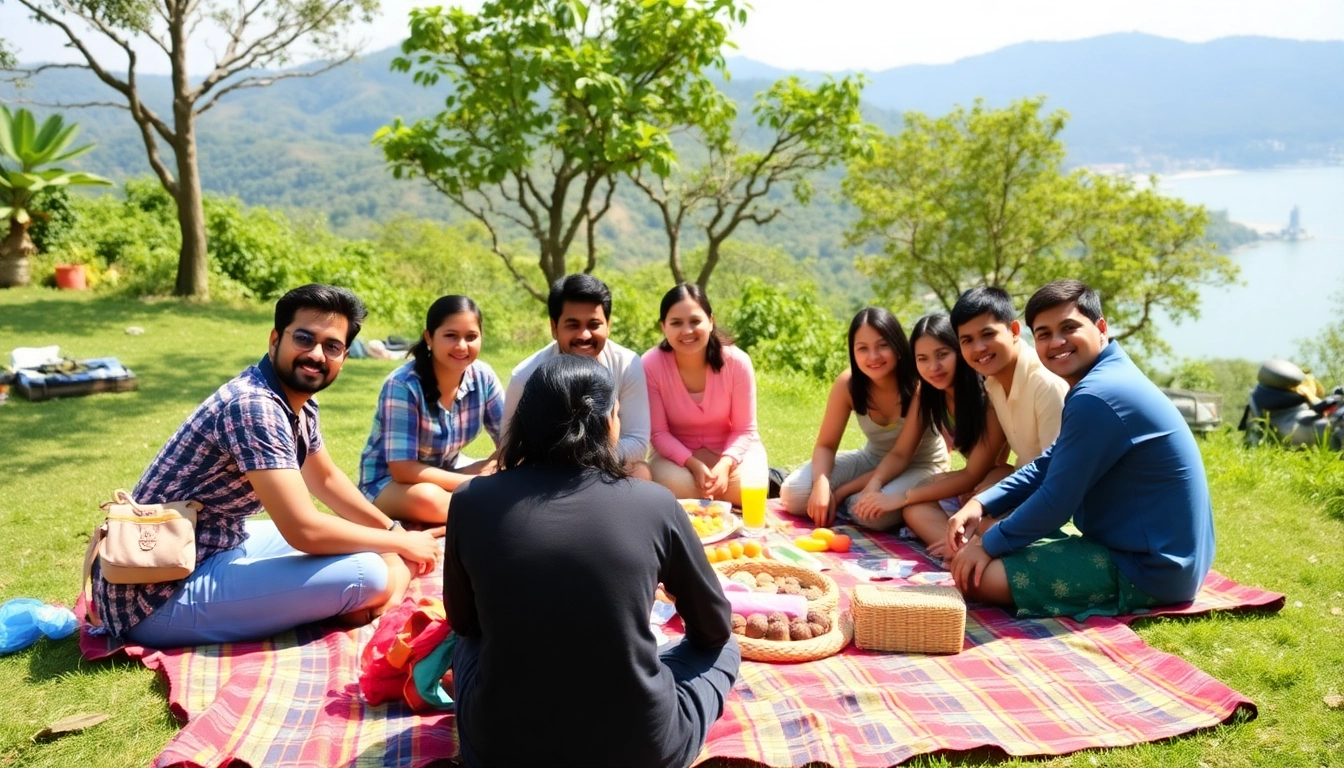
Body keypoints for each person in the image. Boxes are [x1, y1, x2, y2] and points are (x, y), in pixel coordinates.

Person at [91, 285, 440, 647]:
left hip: (215, 542)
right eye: (304, 338)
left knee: (367, 547)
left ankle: (370, 592)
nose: (316, 354)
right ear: (276, 339)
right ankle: (384, 594)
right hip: (156, 596)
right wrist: (402, 550)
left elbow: (325, 479)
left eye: (331, 346)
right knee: (367, 572)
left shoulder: (295, 403)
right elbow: (303, 531)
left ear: (343, 357)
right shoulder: (254, 406)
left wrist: (396, 534)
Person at [445, 354, 740, 768]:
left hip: (500, 750)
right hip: (640, 750)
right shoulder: (653, 504)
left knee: (466, 641)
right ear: (606, 422)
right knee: (725, 649)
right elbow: (713, 629)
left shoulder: (471, 501)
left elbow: (463, 622)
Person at [947, 280, 1216, 619]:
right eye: (1043, 334)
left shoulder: (1097, 396)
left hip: (1149, 569)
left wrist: (988, 544)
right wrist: (981, 501)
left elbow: (1057, 501)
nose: (1056, 342)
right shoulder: (1105, 378)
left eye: (1069, 328)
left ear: (1100, 327)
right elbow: (1050, 462)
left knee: (976, 578)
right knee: (987, 552)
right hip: (1158, 554)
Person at [779, 307, 949, 530]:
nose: (873, 357)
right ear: (853, 351)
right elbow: (826, 445)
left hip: (920, 465)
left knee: (871, 514)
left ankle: (851, 502)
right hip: (872, 458)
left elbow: (901, 456)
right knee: (795, 493)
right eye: (863, 349)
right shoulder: (848, 384)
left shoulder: (918, 385)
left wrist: (840, 492)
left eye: (882, 346)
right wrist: (821, 484)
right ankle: (850, 501)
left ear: (898, 346)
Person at [358, 295, 504, 535]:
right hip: (389, 483)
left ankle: (466, 510)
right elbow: (402, 469)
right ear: (429, 337)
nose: (462, 346)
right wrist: (475, 483)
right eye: (451, 336)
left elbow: (511, 439)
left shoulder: (483, 377)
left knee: (507, 469)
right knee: (430, 499)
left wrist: (495, 467)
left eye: (471, 337)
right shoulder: (403, 385)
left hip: (446, 473)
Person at [502, 274, 652, 480]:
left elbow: (637, 441)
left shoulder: (627, 364)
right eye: (573, 325)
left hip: (605, 468)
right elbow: (510, 445)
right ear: (554, 328)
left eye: (594, 324)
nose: (584, 335)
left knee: (640, 472)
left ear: (608, 324)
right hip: (544, 475)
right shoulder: (526, 375)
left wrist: (584, 463)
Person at [899, 314, 1010, 558]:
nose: (933, 367)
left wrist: (901, 498)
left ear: (960, 350)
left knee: (992, 479)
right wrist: (879, 488)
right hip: (970, 483)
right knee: (915, 507)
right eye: (922, 359)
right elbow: (901, 452)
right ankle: (958, 547)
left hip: (995, 481)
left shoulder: (986, 396)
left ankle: (973, 545)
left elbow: (978, 473)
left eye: (942, 355)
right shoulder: (928, 393)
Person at [643, 283, 761, 504]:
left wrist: (725, 465)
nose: (687, 331)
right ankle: (712, 494)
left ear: (711, 321)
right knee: (667, 485)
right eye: (676, 323)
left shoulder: (737, 362)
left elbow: (745, 430)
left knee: (750, 489)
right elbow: (658, 434)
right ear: (663, 327)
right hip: (677, 460)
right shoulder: (651, 364)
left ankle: (721, 490)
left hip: (732, 454)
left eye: (695, 321)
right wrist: (694, 465)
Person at [950, 286, 1068, 476]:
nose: (979, 348)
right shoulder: (994, 383)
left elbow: (1057, 475)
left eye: (988, 334)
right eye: (967, 340)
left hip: (1050, 495)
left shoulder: (1045, 384)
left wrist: (989, 499)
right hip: (1025, 483)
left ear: (1014, 330)